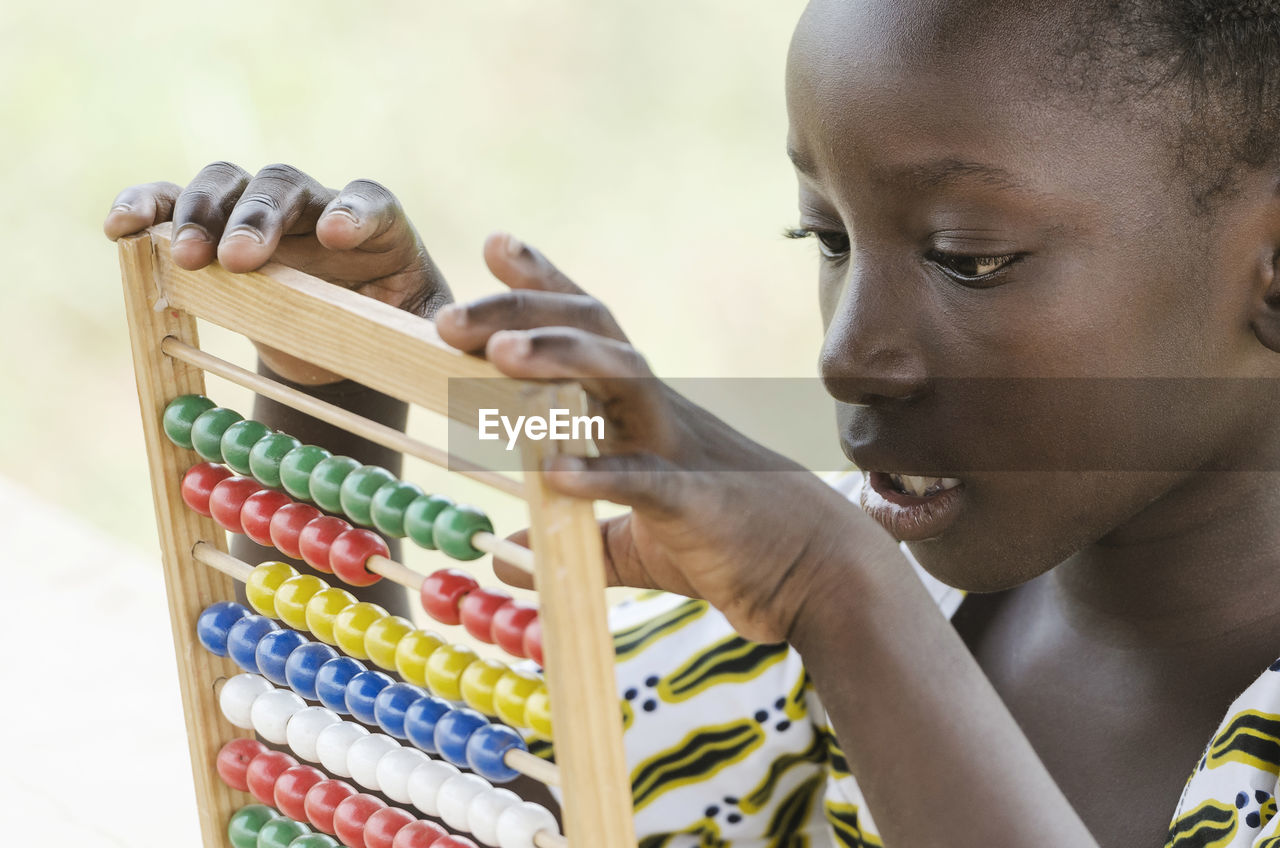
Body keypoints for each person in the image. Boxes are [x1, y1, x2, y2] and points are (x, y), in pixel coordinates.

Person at [104, 1, 1280, 845]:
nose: (843, 352)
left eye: (967, 259)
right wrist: (343, 393)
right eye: (824, 238)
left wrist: (841, 590)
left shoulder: (846, 611)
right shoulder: (786, 668)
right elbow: (409, 809)